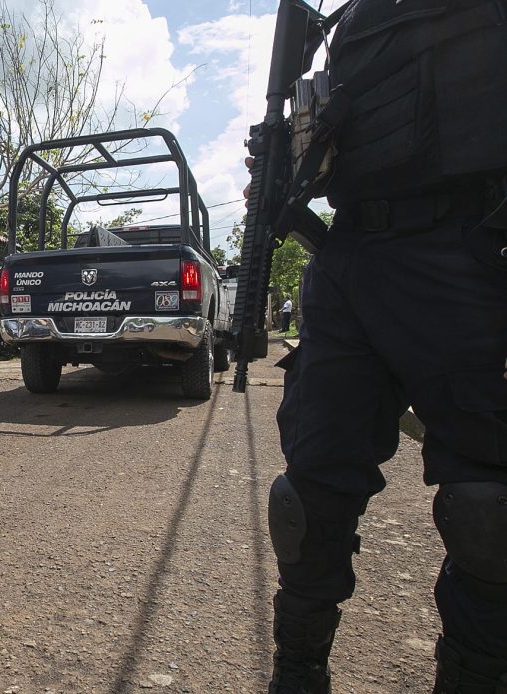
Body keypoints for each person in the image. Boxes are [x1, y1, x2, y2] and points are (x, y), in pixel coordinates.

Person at [258, 1, 507, 692]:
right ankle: (298, 671)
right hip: (348, 255)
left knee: (489, 511)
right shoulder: (352, 24)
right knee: (308, 493)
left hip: (469, 244)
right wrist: (285, 169)